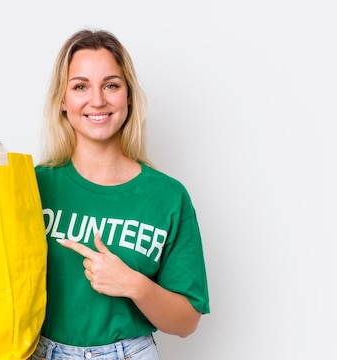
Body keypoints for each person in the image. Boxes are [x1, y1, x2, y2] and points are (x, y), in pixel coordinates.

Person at [31, 29, 210, 359]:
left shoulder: (168, 196)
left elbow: (187, 322)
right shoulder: (32, 186)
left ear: (128, 96)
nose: (97, 100)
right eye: (81, 86)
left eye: (111, 85)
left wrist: (134, 285)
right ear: (62, 100)